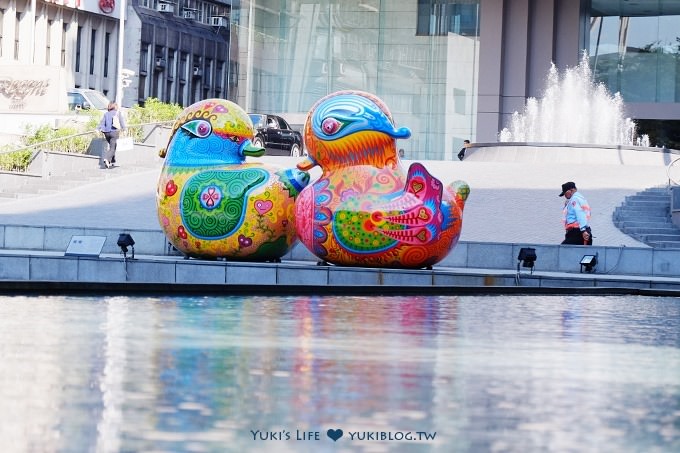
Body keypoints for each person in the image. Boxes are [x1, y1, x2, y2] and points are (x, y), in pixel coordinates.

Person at [97, 102, 126, 169]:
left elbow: (102, 123)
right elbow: (122, 123)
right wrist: (124, 130)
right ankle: (107, 159)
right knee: (112, 148)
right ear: (115, 107)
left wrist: (97, 129)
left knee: (112, 147)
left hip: (106, 133)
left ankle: (112, 160)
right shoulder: (117, 113)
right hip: (114, 132)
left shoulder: (106, 114)